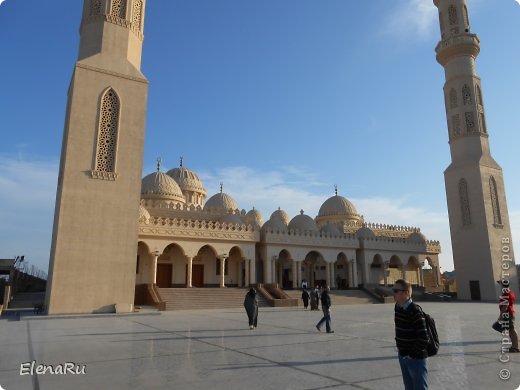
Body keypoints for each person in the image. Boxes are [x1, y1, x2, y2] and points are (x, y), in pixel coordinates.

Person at [393, 279, 429, 390]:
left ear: (406, 293)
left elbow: (424, 338)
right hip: (403, 356)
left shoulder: (415, 311)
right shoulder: (397, 307)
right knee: (408, 387)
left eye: (396, 290)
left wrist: (411, 355)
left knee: (419, 387)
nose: (393, 293)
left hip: (415, 359)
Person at [497, 280, 519, 352]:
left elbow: (505, 307)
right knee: (511, 330)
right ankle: (514, 346)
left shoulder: (506, 294)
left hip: (507, 314)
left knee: (511, 330)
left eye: (501, 285)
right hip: (510, 313)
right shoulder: (510, 292)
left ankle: (516, 347)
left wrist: (500, 317)